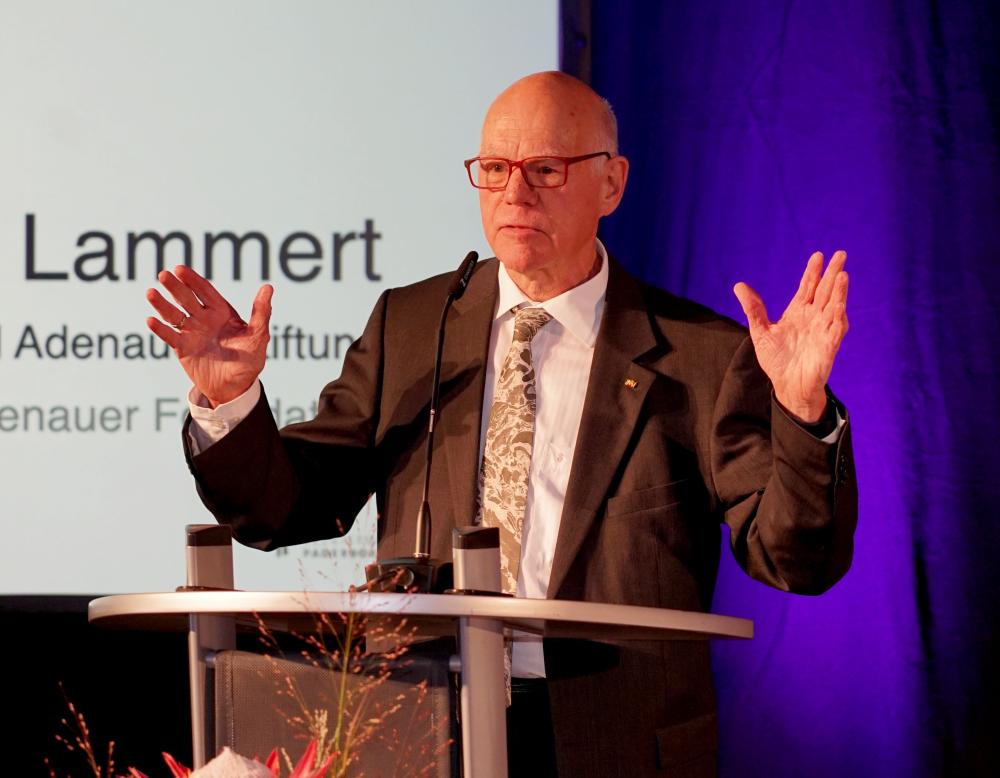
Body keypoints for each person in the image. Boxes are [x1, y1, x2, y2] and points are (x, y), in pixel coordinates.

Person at [146, 71, 856, 778]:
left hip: (616, 739)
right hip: (423, 726)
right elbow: (289, 508)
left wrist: (802, 414)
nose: (514, 193)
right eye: (493, 169)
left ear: (611, 184)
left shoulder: (700, 354)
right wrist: (232, 402)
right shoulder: (414, 325)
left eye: (545, 169)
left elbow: (793, 559)